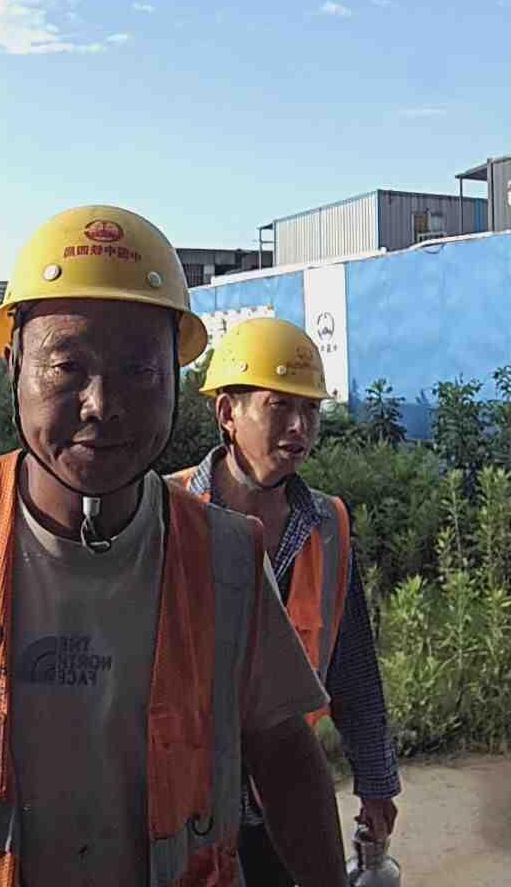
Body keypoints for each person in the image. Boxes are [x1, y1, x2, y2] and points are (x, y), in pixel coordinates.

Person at [0, 207, 346, 886]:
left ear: (176, 376)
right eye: (67, 365)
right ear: (13, 365)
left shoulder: (227, 558)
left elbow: (285, 753)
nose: (102, 403)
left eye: (140, 368)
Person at [170, 316, 401, 887]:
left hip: (284, 802)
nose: (299, 427)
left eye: (310, 410)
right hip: (179, 807)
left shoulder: (327, 525)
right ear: (228, 412)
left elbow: (351, 668)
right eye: (279, 406)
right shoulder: (166, 513)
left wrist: (376, 783)